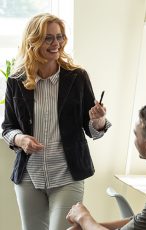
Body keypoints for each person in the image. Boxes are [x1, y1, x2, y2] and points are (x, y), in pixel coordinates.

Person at [1, 13, 111, 230]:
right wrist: (21, 139)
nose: (56, 43)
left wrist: (99, 120)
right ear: (33, 41)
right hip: (29, 177)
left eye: (59, 37)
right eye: (48, 38)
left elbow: (93, 130)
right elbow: (7, 128)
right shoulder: (16, 81)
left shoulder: (77, 77)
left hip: (67, 175)